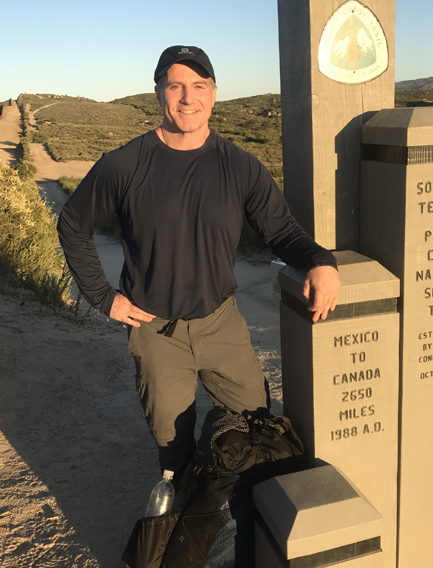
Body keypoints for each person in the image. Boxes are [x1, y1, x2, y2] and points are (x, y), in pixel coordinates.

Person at [58, 45, 341, 474]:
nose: (188, 97)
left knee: (257, 426)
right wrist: (103, 297)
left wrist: (322, 262)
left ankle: (239, 518)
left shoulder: (240, 166)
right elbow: (73, 226)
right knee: (172, 444)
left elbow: (281, 231)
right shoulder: (123, 165)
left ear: (213, 93)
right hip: (155, 331)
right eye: (176, 86)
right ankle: (180, 511)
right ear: (158, 93)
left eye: (199, 86)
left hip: (220, 323)